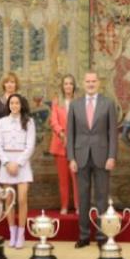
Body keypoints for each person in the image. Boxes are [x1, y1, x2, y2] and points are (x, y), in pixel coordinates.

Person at [66, 71, 118, 248]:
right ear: (83, 83)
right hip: (80, 157)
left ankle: (102, 236)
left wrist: (112, 155)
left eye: (93, 81)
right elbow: (70, 134)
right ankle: (84, 235)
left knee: (102, 197)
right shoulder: (75, 105)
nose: (90, 84)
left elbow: (113, 133)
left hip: (102, 157)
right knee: (83, 197)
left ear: (99, 83)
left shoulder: (108, 103)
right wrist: (71, 157)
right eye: (87, 81)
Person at [0, 94, 36, 249]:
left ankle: (21, 233)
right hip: (6, 164)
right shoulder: (2, 122)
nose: (14, 105)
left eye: (17, 102)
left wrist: (18, 163)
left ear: (21, 105)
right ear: (8, 105)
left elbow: (30, 145)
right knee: (9, 200)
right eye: (11, 103)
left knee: (22, 199)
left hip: (22, 163)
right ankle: (12, 233)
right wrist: (6, 162)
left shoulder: (29, 121)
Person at [49, 74, 79, 214]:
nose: (68, 86)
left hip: (77, 146)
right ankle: (65, 206)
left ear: (74, 86)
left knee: (76, 178)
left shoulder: (80, 102)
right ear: (62, 86)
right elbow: (53, 121)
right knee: (63, 179)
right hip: (60, 144)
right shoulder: (56, 102)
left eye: (70, 83)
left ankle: (79, 206)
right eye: (65, 83)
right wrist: (61, 133)